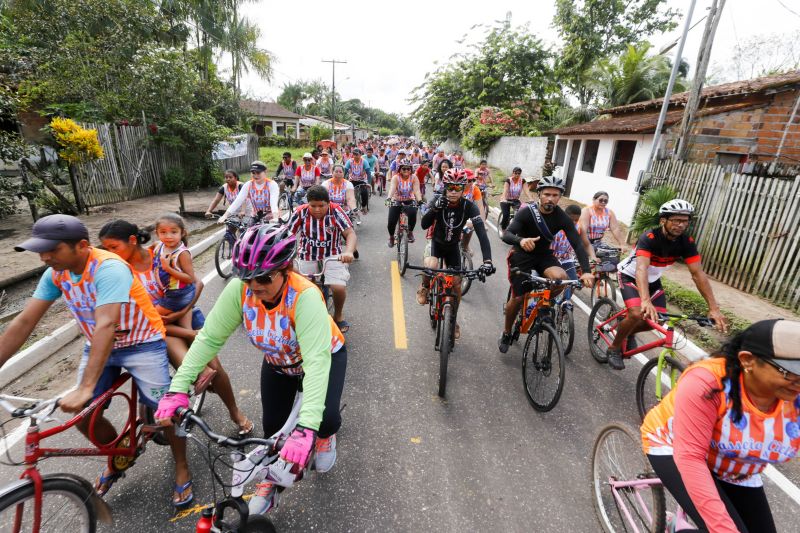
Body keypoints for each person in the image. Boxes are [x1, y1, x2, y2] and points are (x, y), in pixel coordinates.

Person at [0, 215, 192, 506]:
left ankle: (182, 467)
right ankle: (118, 456)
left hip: (141, 341)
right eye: (41, 251)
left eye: (52, 249)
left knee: (166, 411)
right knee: (85, 417)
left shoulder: (109, 268)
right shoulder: (56, 273)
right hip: (100, 345)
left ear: (82, 246)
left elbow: (106, 323)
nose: (44, 257)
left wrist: (86, 387)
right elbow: (25, 321)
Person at [154, 225, 347, 516]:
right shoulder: (240, 291)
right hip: (278, 365)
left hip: (323, 358)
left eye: (264, 278)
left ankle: (326, 434)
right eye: (247, 279)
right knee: (272, 430)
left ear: (286, 269)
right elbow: (209, 339)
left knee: (324, 418)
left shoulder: (305, 297)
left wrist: (308, 428)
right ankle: (271, 484)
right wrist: (177, 388)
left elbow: (316, 363)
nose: (255, 287)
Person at [641, 319, 800, 533]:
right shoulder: (707, 382)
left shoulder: (793, 396)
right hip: (675, 446)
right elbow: (690, 458)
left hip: (734, 462)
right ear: (748, 361)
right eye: (790, 372)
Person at [98, 220, 252, 435]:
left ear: (133, 241)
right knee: (185, 362)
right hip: (157, 325)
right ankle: (194, 378)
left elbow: (196, 284)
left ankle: (234, 412)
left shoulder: (161, 253)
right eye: (106, 249)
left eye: (113, 247)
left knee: (215, 370)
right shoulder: (117, 270)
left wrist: (181, 312)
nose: (109, 253)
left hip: (183, 314)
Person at [608, 199, 728, 370]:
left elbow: (698, 274)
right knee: (636, 314)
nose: (680, 225)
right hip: (630, 276)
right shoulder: (649, 237)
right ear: (663, 220)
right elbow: (641, 269)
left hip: (653, 281)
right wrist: (645, 300)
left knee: (656, 321)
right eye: (676, 220)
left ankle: (626, 330)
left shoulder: (687, 242)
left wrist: (714, 308)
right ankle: (614, 348)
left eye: (685, 221)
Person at [499, 176, 595, 353]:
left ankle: (544, 305)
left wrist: (587, 271)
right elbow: (507, 234)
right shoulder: (527, 212)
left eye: (555, 195)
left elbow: (577, 244)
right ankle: (506, 332)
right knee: (518, 297)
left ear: (560, 197)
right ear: (539, 195)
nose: (551, 198)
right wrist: (521, 240)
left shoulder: (562, 217)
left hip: (544, 255)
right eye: (547, 194)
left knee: (560, 278)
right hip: (521, 254)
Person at [417, 169, 495, 338]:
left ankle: (452, 319)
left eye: (457, 188)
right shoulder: (438, 199)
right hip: (435, 243)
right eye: (450, 187)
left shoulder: (469, 206)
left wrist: (487, 261)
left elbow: (481, 233)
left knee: (457, 284)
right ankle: (424, 286)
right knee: (431, 265)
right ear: (445, 186)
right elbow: (424, 224)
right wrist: (434, 210)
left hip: (453, 247)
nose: (453, 192)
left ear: (463, 189)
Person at [287, 185, 357, 332]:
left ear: (328, 203)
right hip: (307, 255)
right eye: (313, 206)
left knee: (338, 287)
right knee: (305, 289)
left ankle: (338, 315)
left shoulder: (336, 210)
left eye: (321, 206)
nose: (317, 209)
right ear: (308, 203)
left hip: (332, 256)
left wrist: (349, 252)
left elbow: (350, 234)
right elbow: (287, 235)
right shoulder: (300, 212)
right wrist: (285, 255)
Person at [149, 214, 197, 335]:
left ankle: (192, 335)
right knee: (185, 326)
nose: (168, 236)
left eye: (174, 232)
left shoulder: (182, 254)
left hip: (178, 295)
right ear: (157, 233)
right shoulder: (158, 245)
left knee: (150, 319)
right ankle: (190, 337)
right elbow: (146, 250)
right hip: (169, 293)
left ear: (183, 233)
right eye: (163, 232)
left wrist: (168, 268)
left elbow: (190, 279)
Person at [220, 160, 281, 225]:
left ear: (265, 172)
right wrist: (225, 215)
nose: (255, 175)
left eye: (258, 172)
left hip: (271, 217)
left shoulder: (272, 184)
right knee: (246, 233)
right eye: (253, 173)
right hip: (255, 216)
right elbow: (238, 201)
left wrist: (275, 217)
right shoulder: (248, 184)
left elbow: (273, 203)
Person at [550, 204, 593, 281]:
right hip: (550, 258)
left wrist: (593, 256)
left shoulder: (579, 228)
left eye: (576, 220)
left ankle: (568, 293)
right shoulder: (554, 225)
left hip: (566, 259)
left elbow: (586, 244)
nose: (573, 222)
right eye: (571, 219)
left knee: (573, 282)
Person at [387, 162, 422, 246]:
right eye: (404, 169)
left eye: (408, 169)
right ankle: (391, 237)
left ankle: (410, 232)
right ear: (400, 169)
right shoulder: (396, 177)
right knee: (391, 221)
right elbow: (392, 188)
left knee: (413, 212)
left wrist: (419, 200)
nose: (406, 170)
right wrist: (388, 198)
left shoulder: (414, 177)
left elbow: (416, 190)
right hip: (397, 200)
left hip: (409, 200)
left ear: (411, 170)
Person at [344, 148, 372, 214]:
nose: (355, 156)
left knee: (364, 192)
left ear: (360, 155)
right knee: (347, 192)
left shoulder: (364, 162)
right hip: (352, 180)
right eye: (354, 154)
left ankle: (364, 206)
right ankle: (347, 207)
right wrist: (342, 181)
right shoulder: (349, 161)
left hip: (362, 180)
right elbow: (344, 172)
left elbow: (368, 173)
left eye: (357, 154)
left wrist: (369, 183)